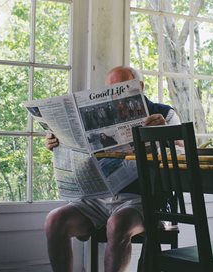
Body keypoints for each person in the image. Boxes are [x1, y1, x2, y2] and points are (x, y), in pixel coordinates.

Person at [44, 66, 181, 272]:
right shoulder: (96, 118)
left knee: (118, 224)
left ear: (140, 87)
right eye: (111, 90)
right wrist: (56, 141)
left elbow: (185, 151)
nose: (115, 96)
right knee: (54, 220)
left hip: (141, 200)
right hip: (97, 199)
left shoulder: (163, 113)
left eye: (121, 88)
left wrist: (164, 133)